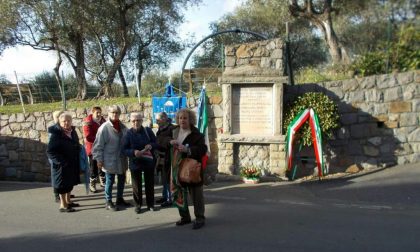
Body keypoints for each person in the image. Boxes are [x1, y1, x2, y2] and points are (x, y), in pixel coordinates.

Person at [170, 108, 207, 230]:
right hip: (176, 168)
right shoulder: (173, 131)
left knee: (196, 194)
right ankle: (185, 217)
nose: (182, 120)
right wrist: (169, 141)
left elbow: (203, 150)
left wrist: (188, 150)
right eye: (180, 118)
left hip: (191, 169)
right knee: (179, 193)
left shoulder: (197, 134)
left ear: (190, 119)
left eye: (185, 118)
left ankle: (200, 218)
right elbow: (160, 140)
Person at [92, 105, 130, 211]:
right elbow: (98, 145)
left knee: (122, 179)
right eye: (112, 112)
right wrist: (99, 159)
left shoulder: (123, 127)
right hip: (109, 159)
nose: (115, 114)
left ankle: (119, 199)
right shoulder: (104, 128)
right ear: (108, 114)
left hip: (121, 158)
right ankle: (108, 201)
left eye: (117, 112)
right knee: (109, 180)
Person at [122, 113, 158, 214]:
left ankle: (150, 204)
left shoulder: (148, 131)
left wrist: (151, 145)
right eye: (133, 120)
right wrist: (133, 152)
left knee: (149, 184)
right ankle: (138, 205)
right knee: (136, 186)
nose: (136, 122)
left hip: (148, 161)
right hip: (135, 162)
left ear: (142, 121)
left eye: (138, 120)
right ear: (130, 121)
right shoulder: (128, 134)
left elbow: (156, 143)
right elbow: (124, 149)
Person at [46, 112, 81, 212]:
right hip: (62, 165)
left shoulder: (72, 131)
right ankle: (63, 205)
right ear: (59, 122)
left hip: (71, 163)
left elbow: (75, 143)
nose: (66, 123)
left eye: (68, 121)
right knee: (62, 186)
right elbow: (50, 151)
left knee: (69, 184)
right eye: (63, 121)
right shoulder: (56, 134)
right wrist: (61, 162)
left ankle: (68, 202)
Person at [83, 106, 106, 193]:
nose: (99, 114)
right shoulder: (88, 122)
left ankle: (102, 181)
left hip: (102, 148)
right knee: (93, 167)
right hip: (92, 148)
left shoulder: (103, 120)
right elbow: (88, 136)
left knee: (102, 165)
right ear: (92, 113)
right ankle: (92, 184)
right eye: (97, 113)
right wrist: (100, 139)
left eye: (100, 112)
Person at [155, 112, 175, 207]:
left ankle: (169, 198)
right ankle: (164, 196)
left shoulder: (172, 128)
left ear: (164, 118)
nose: (156, 121)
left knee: (168, 178)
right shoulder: (161, 128)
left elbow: (172, 141)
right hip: (161, 157)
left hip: (169, 157)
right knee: (164, 178)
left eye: (158, 119)